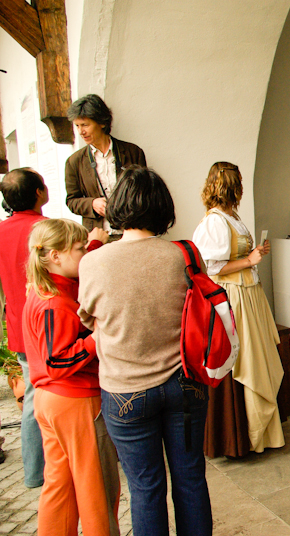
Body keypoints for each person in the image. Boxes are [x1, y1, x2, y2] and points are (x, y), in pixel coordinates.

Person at [78, 167, 212, 535]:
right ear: (164, 208)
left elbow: (89, 321)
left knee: (146, 487)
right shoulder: (184, 255)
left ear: (117, 206)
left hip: (126, 391)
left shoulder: (93, 262)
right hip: (185, 383)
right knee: (190, 478)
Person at [22, 218, 120, 536]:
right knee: (97, 491)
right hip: (75, 401)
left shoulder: (44, 289)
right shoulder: (55, 303)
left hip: (51, 401)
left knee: (60, 487)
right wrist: (97, 337)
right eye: (80, 249)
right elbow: (58, 360)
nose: (84, 254)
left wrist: (92, 245)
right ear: (55, 256)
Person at [193, 162, 285, 457]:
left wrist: (254, 254)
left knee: (258, 355)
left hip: (249, 293)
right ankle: (247, 434)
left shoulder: (232, 217)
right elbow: (212, 267)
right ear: (233, 187)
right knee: (247, 358)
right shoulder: (215, 221)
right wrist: (249, 261)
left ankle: (263, 430)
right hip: (234, 296)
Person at [0, 168, 48, 488]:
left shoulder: (1, 232)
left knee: (32, 397)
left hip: (19, 326)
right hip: (53, 324)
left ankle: (33, 472)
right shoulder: (47, 229)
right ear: (39, 193)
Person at [65, 94, 147, 235]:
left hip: (132, 232)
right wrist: (92, 204)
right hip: (99, 236)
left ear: (102, 122)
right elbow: (71, 201)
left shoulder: (133, 152)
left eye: (85, 125)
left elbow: (146, 193)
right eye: (77, 126)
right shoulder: (74, 161)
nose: (80, 132)